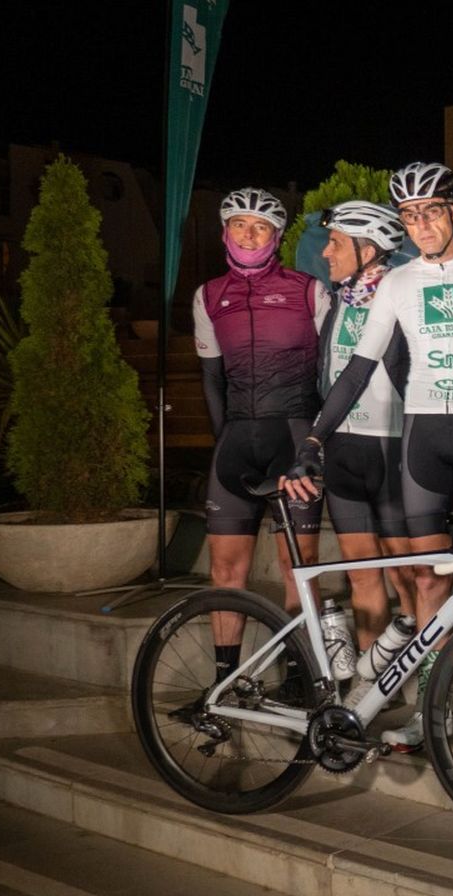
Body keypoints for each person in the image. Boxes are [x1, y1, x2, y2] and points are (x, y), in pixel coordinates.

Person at [284, 161, 453, 751]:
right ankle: (431, 713)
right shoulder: (399, 283)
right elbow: (358, 368)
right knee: (429, 579)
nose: (422, 223)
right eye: (410, 214)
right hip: (422, 439)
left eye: (432, 210)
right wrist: (313, 442)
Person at [194, 187, 329, 689]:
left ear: (277, 237)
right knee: (225, 570)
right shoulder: (208, 295)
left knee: (300, 565)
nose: (249, 235)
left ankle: (300, 674)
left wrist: (318, 443)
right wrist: (223, 442)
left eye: (261, 227)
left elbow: (332, 373)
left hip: (294, 438)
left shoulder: (309, 289)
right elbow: (211, 379)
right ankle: (225, 679)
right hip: (236, 443)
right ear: (224, 231)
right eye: (239, 225)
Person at [315, 201, 418, 656]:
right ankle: (369, 685)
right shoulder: (337, 299)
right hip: (343, 451)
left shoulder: (403, 295)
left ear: (368, 248)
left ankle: (426, 682)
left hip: (393, 448)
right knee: (360, 572)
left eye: (335, 243)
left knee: (408, 573)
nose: (325, 253)